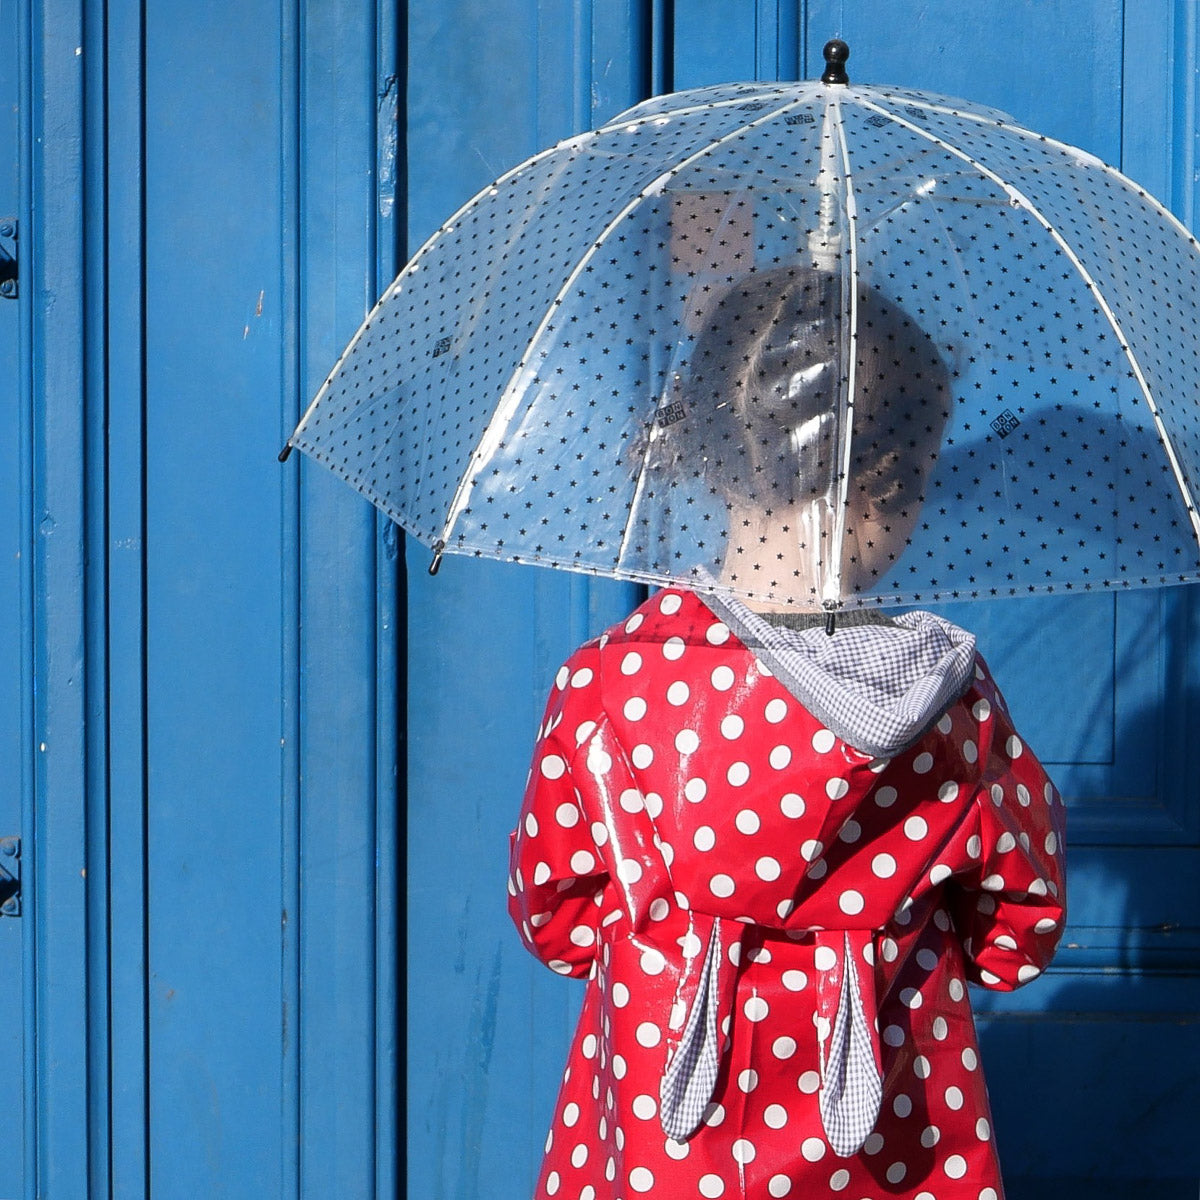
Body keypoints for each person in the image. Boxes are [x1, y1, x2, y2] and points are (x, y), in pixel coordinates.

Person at [507, 265, 1066, 1200]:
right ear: (897, 478)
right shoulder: (949, 699)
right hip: (892, 1129)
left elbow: (556, 918)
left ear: (707, 451)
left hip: (665, 1131)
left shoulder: (608, 685)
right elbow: (1019, 927)